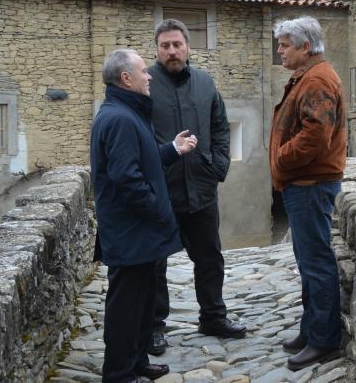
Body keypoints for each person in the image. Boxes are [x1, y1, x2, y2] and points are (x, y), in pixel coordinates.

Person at [90, 48, 197, 383]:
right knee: (125, 308)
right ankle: (119, 374)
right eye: (142, 71)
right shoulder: (120, 118)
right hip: (131, 231)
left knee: (141, 304)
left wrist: (171, 150)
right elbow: (127, 179)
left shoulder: (127, 113)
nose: (149, 75)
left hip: (138, 232)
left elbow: (141, 159)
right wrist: (157, 211)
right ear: (126, 78)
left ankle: (137, 363)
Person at [147, 19, 244, 356]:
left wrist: (218, 165)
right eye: (165, 46)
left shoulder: (204, 82)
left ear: (188, 46)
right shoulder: (145, 85)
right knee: (155, 263)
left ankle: (213, 317)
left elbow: (220, 125)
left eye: (177, 44)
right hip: (161, 192)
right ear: (157, 49)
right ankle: (155, 326)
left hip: (201, 188)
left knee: (210, 258)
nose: (171, 51)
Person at [269, 17, 347, 371]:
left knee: (316, 263)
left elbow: (317, 136)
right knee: (308, 260)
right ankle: (311, 329)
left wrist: (281, 158)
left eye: (285, 45)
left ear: (305, 47)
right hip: (303, 183)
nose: (280, 51)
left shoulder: (316, 80)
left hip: (310, 184)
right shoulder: (309, 75)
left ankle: (324, 339)